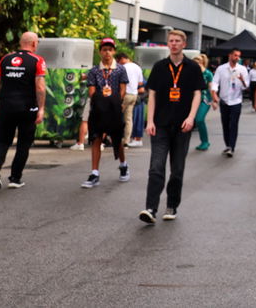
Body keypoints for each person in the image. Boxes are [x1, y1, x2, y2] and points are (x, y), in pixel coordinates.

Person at [139, 29, 203, 224]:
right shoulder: (159, 67)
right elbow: (152, 94)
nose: (173, 44)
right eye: (171, 41)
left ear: (184, 44)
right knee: (156, 167)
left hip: (182, 126)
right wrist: (150, 121)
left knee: (177, 169)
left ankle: (172, 205)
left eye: (177, 41)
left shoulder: (192, 68)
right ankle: (150, 208)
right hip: (161, 125)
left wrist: (191, 118)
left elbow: (197, 94)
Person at [0, 31, 46, 190]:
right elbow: (40, 87)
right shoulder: (37, 60)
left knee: (2, 140)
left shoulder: (5, 59)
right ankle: (15, 178)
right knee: (23, 142)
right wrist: (41, 109)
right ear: (34, 44)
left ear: (21, 43)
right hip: (27, 107)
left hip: (7, 106)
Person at [81, 38, 129, 188]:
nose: (107, 52)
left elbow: (122, 90)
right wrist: (100, 102)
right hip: (98, 109)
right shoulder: (94, 71)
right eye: (104, 49)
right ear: (100, 52)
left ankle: (123, 164)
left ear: (114, 51)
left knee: (117, 139)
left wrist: (115, 102)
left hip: (114, 109)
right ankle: (94, 172)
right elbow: (91, 90)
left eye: (110, 49)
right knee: (96, 138)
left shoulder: (120, 69)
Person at [211, 48, 248, 157]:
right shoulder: (221, 69)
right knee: (225, 124)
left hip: (236, 101)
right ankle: (227, 145)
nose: (237, 58)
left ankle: (232, 146)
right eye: (235, 55)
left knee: (234, 124)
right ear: (230, 55)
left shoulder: (242, 69)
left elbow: (246, 87)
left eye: (238, 56)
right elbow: (215, 82)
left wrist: (242, 80)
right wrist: (214, 94)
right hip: (224, 101)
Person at [117, 51, 145, 148]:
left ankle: (115, 139)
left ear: (121, 59)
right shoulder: (137, 67)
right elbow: (141, 83)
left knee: (116, 116)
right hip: (134, 95)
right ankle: (126, 141)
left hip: (124, 94)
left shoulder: (123, 67)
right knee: (128, 119)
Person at [193, 54, 214, 151]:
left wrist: (214, 100)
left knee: (199, 119)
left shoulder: (208, 73)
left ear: (201, 63)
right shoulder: (191, 73)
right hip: (192, 100)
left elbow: (211, 87)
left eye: (197, 63)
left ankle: (205, 141)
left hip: (204, 99)